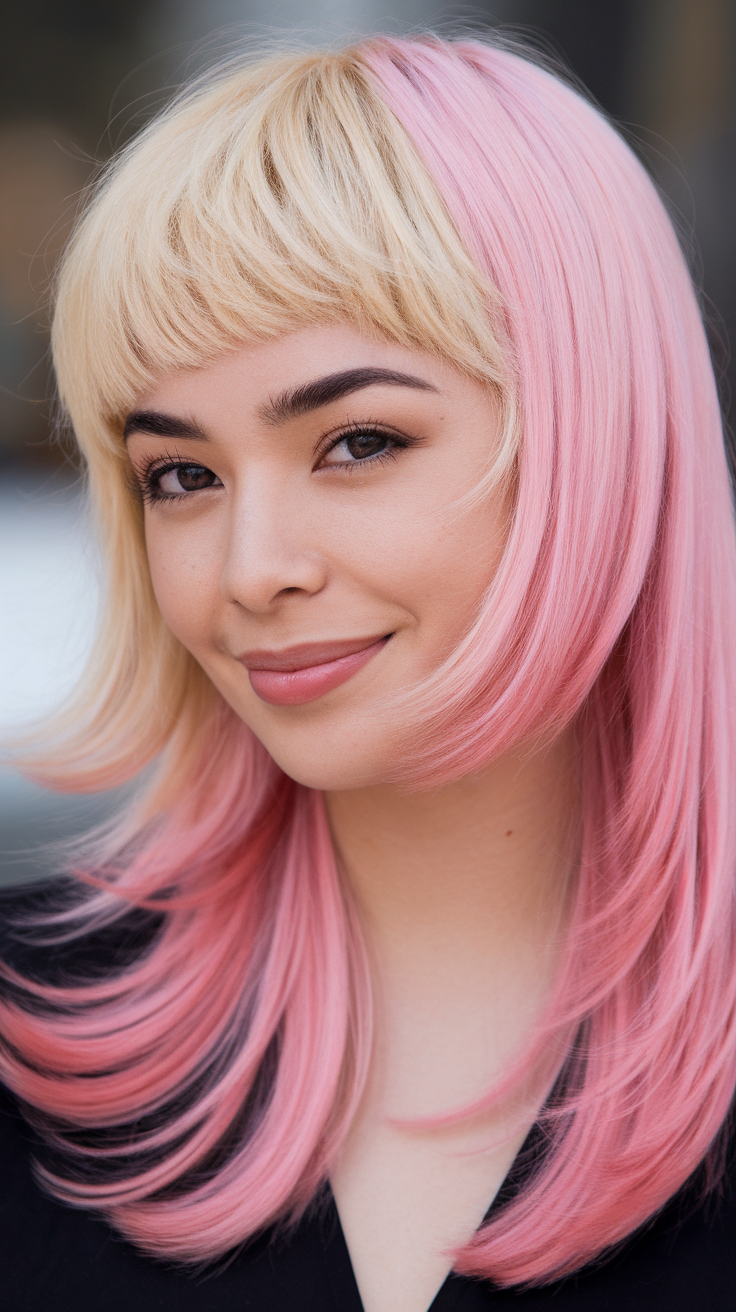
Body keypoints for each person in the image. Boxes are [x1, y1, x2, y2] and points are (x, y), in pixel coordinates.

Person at [1, 33, 735, 1312]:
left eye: (356, 440)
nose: (250, 567)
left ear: (595, 433)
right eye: (182, 474)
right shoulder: (31, 1051)